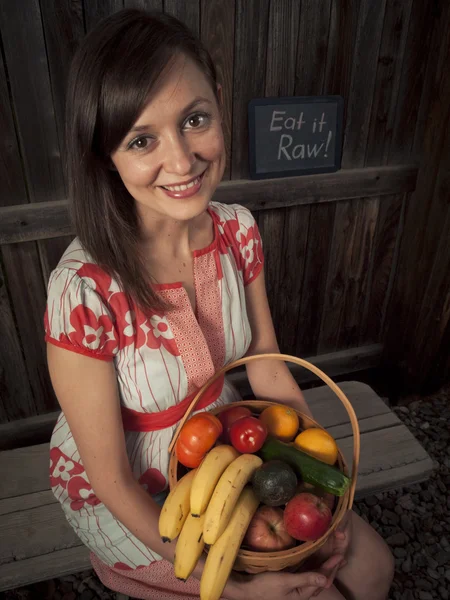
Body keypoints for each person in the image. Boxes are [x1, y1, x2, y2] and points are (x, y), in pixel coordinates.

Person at [45, 9, 394, 600]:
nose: (182, 163)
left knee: (373, 568)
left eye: (195, 120)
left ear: (220, 103)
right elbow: (109, 477)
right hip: (135, 489)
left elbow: (264, 359)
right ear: (105, 152)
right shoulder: (82, 291)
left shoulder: (237, 230)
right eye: (141, 139)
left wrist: (323, 482)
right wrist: (229, 585)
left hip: (230, 439)